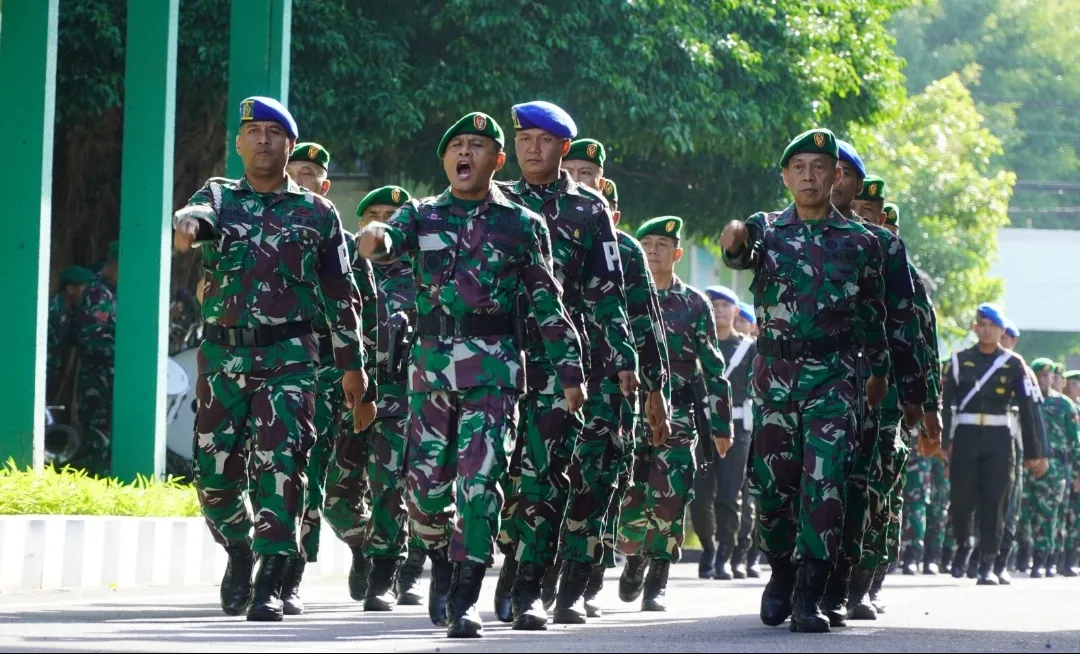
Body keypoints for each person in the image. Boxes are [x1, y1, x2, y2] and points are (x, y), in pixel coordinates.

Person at [355, 111, 586, 639]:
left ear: (496, 161)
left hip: (495, 369)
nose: (466, 154)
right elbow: (388, 244)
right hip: (432, 371)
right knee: (426, 491)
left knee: (481, 483)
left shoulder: (522, 224)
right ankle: (440, 555)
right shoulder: (419, 216)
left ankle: (467, 593)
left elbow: (548, 302)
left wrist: (571, 373)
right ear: (445, 159)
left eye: (478, 146)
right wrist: (374, 238)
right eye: (457, 146)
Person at [173, 97, 370, 622]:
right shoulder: (218, 196)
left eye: (273, 133)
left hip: (290, 359)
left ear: (289, 145)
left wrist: (353, 366)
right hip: (223, 358)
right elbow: (196, 215)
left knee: (282, 469)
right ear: (239, 144)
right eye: (253, 131)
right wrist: (189, 227)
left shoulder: (318, 212)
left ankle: (273, 580)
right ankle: (238, 550)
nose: (263, 140)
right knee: (213, 477)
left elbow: (340, 293)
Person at [721, 127, 891, 634]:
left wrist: (879, 371)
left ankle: (810, 595)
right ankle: (781, 571)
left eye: (821, 167)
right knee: (772, 488)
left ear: (838, 176)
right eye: (800, 168)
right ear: (785, 177)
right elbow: (739, 253)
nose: (810, 176)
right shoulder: (767, 228)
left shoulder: (862, 241)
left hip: (834, 378)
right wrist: (732, 240)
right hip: (774, 377)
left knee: (827, 483)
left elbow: (873, 313)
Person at [497, 103, 639, 632]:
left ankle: (531, 584)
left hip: (568, 360)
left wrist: (623, 358)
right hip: (501, 352)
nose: (532, 148)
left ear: (563, 147)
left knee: (548, 474)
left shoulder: (589, 210)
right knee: (497, 473)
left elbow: (608, 292)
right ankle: (495, 566)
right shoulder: (498, 201)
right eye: (524, 138)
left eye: (543, 140)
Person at [555, 169, 671, 623]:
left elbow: (645, 320)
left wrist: (656, 385)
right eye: (575, 173)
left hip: (608, 382)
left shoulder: (624, 251)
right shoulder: (536, 230)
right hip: (548, 376)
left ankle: (579, 582)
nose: (578, 180)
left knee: (597, 483)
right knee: (542, 480)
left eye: (589, 175)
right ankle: (534, 567)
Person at [276, 142, 380, 614]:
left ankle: (299, 571)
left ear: (325, 185)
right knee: (282, 471)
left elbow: (368, 322)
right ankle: (287, 563)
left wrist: (362, 388)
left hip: (331, 379)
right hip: (275, 372)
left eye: (310, 173)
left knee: (322, 480)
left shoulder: (343, 245)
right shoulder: (267, 235)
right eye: (294, 171)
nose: (300, 179)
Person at [618, 216, 732, 612]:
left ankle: (659, 578)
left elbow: (713, 367)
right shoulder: (624, 296)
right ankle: (634, 559)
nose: (652, 250)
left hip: (679, 412)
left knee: (671, 497)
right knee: (633, 493)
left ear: (677, 253)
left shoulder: (694, 303)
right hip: (630, 410)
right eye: (646, 243)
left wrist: (720, 423)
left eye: (662, 245)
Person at [349, 185, 426, 612]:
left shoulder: (423, 271)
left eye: (392, 215)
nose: (382, 221)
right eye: (374, 215)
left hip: (402, 396)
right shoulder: (343, 269)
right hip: (344, 392)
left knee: (393, 486)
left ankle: (391, 570)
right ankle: (364, 547)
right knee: (339, 497)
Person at [940, 303, 1049, 585]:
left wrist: (1036, 453)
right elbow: (946, 406)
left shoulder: (1014, 364)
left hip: (1000, 440)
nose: (987, 330)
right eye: (982, 325)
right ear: (975, 328)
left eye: (993, 326)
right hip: (965, 438)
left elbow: (1028, 408)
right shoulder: (958, 360)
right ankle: (965, 543)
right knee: (962, 502)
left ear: (1001, 330)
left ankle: (987, 564)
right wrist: (942, 442)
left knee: (995, 504)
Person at [688, 285, 755, 581]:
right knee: (700, 496)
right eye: (712, 304)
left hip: (739, 431)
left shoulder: (749, 349)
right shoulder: (696, 344)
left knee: (730, 495)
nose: (717, 310)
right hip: (701, 429)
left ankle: (727, 555)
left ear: (735, 310)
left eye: (724, 305)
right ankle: (708, 550)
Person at [1017, 359, 1080, 577]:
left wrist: (1077, 474)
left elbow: (1074, 442)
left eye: (1048, 375)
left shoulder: (1064, 405)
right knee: (1024, 515)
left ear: (1054, 378)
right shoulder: (1024, 402)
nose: (1044, 379)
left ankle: (1043, 561)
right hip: (1025, 468)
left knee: (1049, 516)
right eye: (1039, 375)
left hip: (1054, 471)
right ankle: (1023, 556)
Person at [72, 242, 120, 477]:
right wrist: (123, 348)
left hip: (110, 374)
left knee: (108, 431)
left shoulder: (113, 291)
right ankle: (93, 479)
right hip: (97, 376)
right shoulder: (98, 292)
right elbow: (92, 335)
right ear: (114, 265)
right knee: (98, 432)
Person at [47, 265, 94, 405]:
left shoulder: (70, 313)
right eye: (84, 288)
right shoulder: (52, 310)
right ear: (70, 289)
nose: (87, 294)